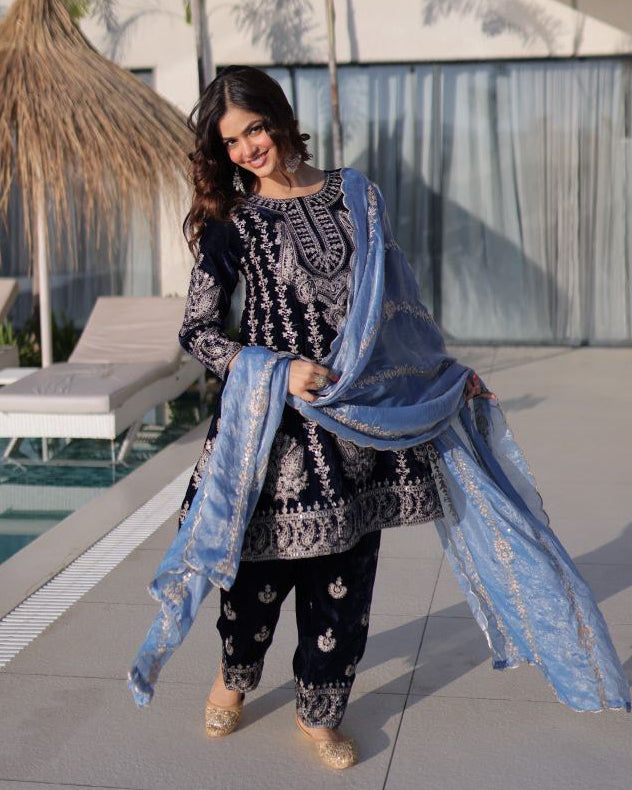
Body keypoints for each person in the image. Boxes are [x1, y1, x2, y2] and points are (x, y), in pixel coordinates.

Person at [128, 65, 630, 770]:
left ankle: (318, 711)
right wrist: (276, 368)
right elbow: (198, 331)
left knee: (345, 577)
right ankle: (234, 679)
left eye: (254, 130)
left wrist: (447, 376)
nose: (246, 150)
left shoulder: (356, 196)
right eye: (231, 142)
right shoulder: (231, 223)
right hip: (274, 431)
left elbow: (400, 308)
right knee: (256, 578)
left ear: (277, 117)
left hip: (360, 424)